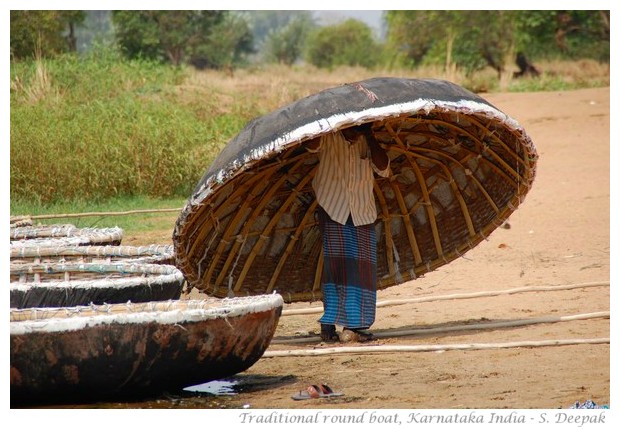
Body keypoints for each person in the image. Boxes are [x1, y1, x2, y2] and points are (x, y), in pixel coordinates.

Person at [305, 123, 390, 342]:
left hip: (362, 211)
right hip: (334, 208)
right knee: (338, 268)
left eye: (359, 130)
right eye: (351, 130)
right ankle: (329, 322)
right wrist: (326, 124)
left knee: (363, 270)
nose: (354, 134)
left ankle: (357, 325)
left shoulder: (367, 142)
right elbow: (310, 146)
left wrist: (369, 137)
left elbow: (384, 168)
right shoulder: (329, 137)